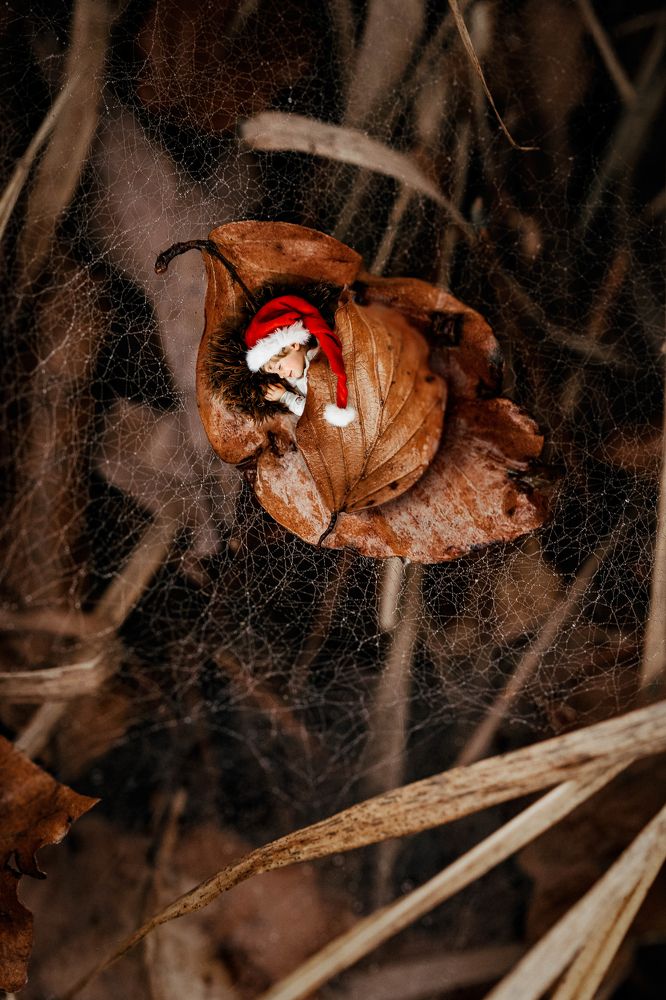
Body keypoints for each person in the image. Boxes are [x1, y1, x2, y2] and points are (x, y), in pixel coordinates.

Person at [244, 295, 356, 426]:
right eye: (275, 373)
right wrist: (284, 394)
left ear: (293, 345)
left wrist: (286, 397)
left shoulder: (323, 354)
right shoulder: (295, 381)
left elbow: (315, 411)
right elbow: (315, 412)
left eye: (279, 367)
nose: (280, 375)